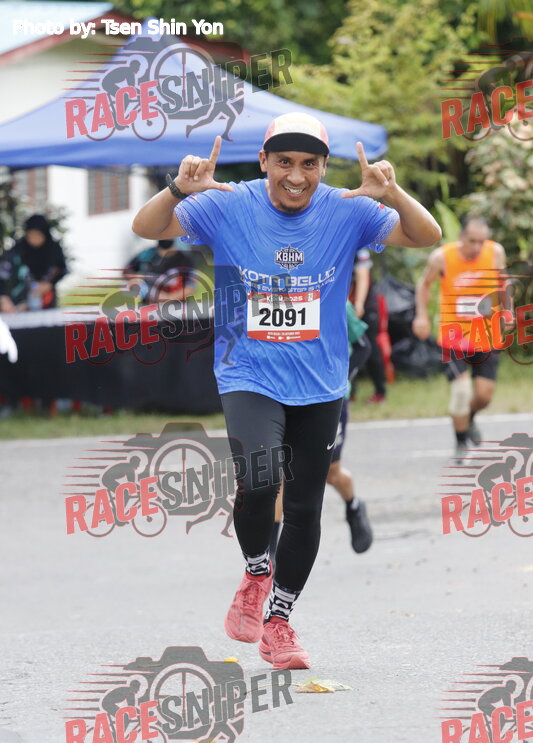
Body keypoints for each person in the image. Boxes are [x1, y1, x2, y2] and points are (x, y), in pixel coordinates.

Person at [132, 112, 441, 670]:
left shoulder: (348, 209)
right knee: (259, 479)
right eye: (284, 163)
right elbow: (147, 227)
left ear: (323, 167)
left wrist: (393, 194)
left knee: (304, 508)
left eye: (309, 164)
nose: (296, 176)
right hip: (247, 371)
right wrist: (179, 187)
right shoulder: (229, 202)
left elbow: (427, 236)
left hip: (321, 381)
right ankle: (257, 571)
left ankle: (279, 620)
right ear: (264, 162)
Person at [270, 301, 373, 563]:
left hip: (329, 401)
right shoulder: (274, 297)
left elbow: (363, 346)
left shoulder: (336, 300)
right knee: (279, 473)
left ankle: (354, 506)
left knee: (330, 473)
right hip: (287, 397)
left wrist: (340, 379)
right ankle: (269, 557)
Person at [412, 215, 509, 462]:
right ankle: (461, 441)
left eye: (481, 241)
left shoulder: (495, 253)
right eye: (472, 241)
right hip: (453, 337)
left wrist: (507, 311)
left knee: (484, 396)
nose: (477, 247)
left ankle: (469, 418)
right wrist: (421, 316)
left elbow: (503, 283)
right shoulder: (442, 257)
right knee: (461, 392)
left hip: (487, 335)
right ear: (461, 237)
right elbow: (424, 285)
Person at [0, 214, 67, 312]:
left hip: (46, 301)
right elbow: (2, 274)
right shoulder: (17, 251)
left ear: (45, 234)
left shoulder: (53, 249)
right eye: (30, 235)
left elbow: (62, 269)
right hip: (18, 304)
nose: (34, 239)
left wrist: (49, 284)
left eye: (37, 235)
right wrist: (3, 297)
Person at [349, 248, 387, 402]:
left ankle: (380, 391)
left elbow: (363, 275)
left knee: (370, 349)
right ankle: (350, 393)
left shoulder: (360, 249)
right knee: (346, 350)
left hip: (364, 308)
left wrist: (359, 304)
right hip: (346, 308)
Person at [124, 239, 197, 303]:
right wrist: (135, 281)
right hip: (148, 307)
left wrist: (168, 298)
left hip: (176, 308)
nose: (166, 238)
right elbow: (127, 271)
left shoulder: (185, 260)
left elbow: (190, 287)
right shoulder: (146, 254)